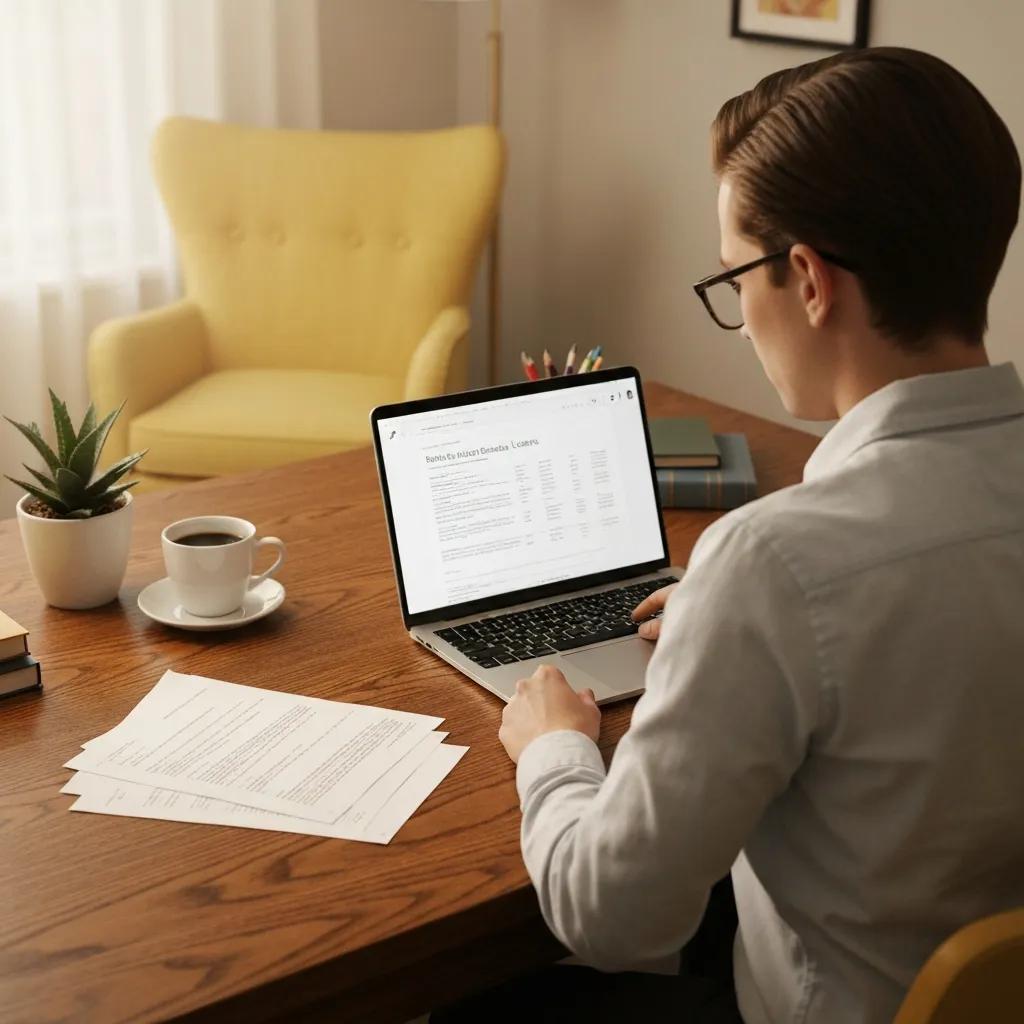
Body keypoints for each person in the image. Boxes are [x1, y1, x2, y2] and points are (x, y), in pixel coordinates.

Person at [432, 47, 1024, 1024]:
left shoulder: (775, 567)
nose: (740, 315)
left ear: (806, 279)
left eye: (733, 276)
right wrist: (729, 621)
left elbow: (607, 917)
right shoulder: (770, 577)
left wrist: (551, 747)